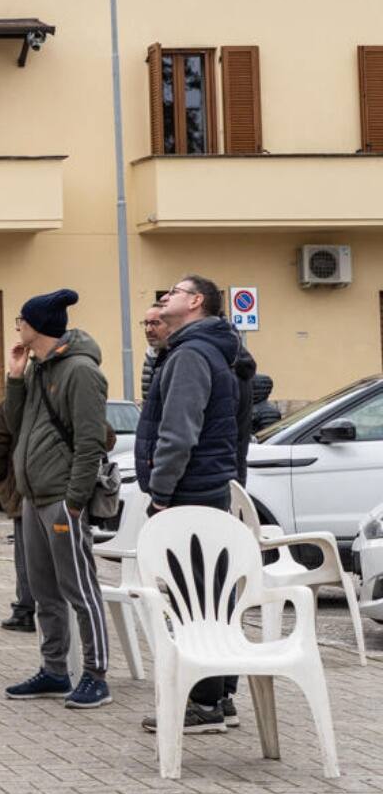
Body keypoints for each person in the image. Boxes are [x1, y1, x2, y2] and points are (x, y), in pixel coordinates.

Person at [135, 274, 244, 735]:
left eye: (174, 293)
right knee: (210, 593)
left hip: (189, 491)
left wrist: (161, 493)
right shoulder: (207, 349)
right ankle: (220, 695)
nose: (164, 299)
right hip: (206, 487)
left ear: (196, 301)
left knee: (194, 598)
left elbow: (178, 433)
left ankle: (204, 702)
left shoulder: (191, 354)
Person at [0, 288, 114, 712]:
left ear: (37, 325)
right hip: (34, 497)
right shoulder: (37, 368)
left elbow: (90, 442)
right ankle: (54, 670)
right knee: (45, 591)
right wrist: (15, 378)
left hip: (62, 499)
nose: (17, 327)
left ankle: (96, 675)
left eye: (21, 320)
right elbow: (15, 424)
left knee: (79, 589)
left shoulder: (80, 371)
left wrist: (75, 501)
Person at [0, 394, 36, 634]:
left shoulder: (15, 402)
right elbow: (104, 436)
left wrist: (4, 477)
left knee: (26, 555)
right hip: (63, 491)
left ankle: (26, 611)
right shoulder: (66, 394)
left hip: (23, 489)